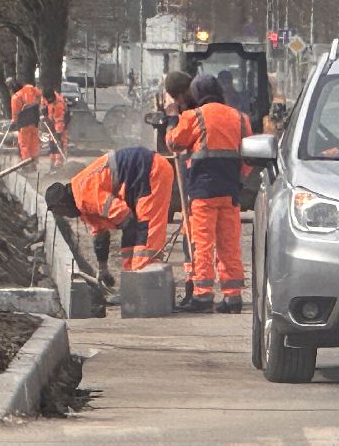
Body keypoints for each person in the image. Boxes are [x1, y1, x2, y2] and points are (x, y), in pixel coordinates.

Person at [166, 74, 249, 313]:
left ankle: (203, 295)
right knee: (229, 244)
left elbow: (173, 143)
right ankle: (233, 297)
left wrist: (173, 120)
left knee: (202, 242)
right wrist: (239, 179)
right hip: (230, 192)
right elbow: (249, 156)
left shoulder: (195, 116)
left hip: (203, 192)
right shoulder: (240, 118)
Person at [44, 145, 176, 284]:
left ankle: (145, 287)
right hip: (138, 179)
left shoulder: (84, 197)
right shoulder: (80, 200)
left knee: (146, 236)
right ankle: (132, 285)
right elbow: (101, 235)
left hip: (150, 172)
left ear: (63, 204)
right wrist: (103, 270)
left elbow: (125, 216)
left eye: (61, 213)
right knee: (132, 244)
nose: (66, 216)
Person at [9, 76, 44, 162]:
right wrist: (39, 106)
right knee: (34, 144)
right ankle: (34, 162)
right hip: (35, 122)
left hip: (24, 124)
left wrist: (13, 123)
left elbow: (15, 114)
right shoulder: (30, 88)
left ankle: (26, 164)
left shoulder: (15, 97)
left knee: (24, 145)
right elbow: (40, 95)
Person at [42, 83, 69, 168]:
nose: (48, 101)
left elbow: (59, 120)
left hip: (60, 126)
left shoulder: (59, 104)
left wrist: (58, 132)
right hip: (52, 123)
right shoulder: (46, 97)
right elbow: (44, 106)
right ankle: (52, 163)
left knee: (59, 142)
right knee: (51, 143)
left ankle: (59, 164)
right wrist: (45, 115)